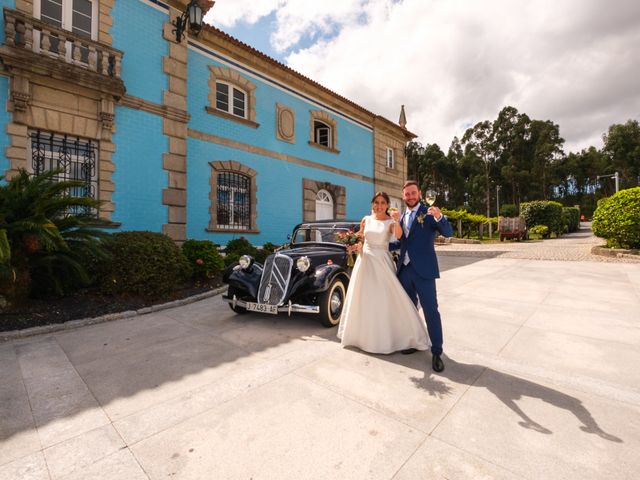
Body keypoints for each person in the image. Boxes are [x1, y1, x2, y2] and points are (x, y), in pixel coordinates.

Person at [337, 192, 429, 354]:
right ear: (372, 204)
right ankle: (361, 337)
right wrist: (354, 246)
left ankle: (392, 338)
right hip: (364, 262)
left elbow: (400, 236)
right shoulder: (366, 219)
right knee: (363, 299)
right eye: (376, 202)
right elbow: (361, 239)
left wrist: (395, 221)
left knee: (383, 299)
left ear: (387, 205)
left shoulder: (390, 221)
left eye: (383, 203)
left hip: (381, 262)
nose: (379, 206)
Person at [390, 181, 453, 372]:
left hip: (424, 271)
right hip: (405, 271)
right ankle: (414, 341)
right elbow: (402, 242)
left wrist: (440, 216)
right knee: (409, 310)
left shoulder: (429, 212)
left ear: (420, 193)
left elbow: (448, 232)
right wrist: (373, 248)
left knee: (431, 311)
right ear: (403, 196)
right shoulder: (401, 216)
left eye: (413, 193)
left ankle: (436, 351)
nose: (410, 196)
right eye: (407, 194)